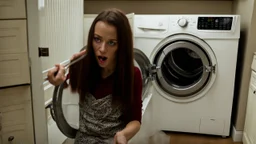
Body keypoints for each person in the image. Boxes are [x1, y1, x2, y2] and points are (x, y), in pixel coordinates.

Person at [47, 8, 143, 144]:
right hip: (83, 139)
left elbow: (135, 120)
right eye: (97, 39)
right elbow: (65, 89)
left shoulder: (132, 75)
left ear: (121, 46)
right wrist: (59, 78)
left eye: (111, 42)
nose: (102, 49)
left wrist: (123, 135)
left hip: (113, 139)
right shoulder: (82, 65)